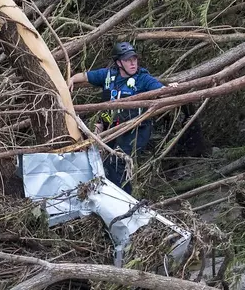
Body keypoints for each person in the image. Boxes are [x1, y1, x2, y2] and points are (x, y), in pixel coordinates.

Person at [69, 42, 172, 194]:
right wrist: (71, 79)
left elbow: (161, 90)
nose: (133, 63)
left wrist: (171, 88)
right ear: (119, 63)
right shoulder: (108, 75)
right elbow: (84, 76)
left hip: (135, 129)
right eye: (128, 60)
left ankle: (125, 200)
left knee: (118, 162)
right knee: (103, 160)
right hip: (112, 126)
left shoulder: (143, 78)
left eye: (135, 59)